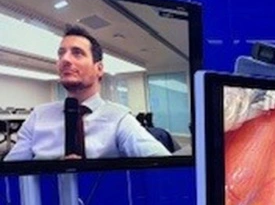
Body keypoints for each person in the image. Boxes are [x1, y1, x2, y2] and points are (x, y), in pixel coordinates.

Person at [4, 26, 170, 161]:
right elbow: (9, 175)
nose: (65, 59)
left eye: (77, 53)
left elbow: (164, 167)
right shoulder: (37, 117)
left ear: (99, 69)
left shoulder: (119, 119)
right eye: (61, 53)